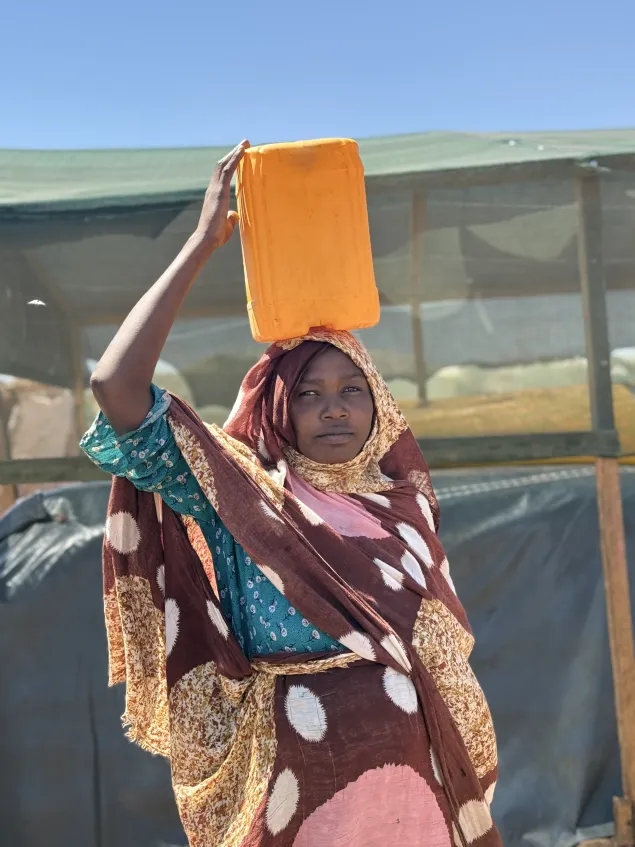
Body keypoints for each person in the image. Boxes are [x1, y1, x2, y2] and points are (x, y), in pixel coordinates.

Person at [82, 141, 501, 847]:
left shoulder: (399, 502)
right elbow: (116, 388)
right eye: (306, 393)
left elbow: (442, 665)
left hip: (419, 804)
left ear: (379, 407)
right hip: (295, 801)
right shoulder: (237, 494)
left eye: (350, 391)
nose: (332, 408)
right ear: (277, 410)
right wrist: (200, 242)